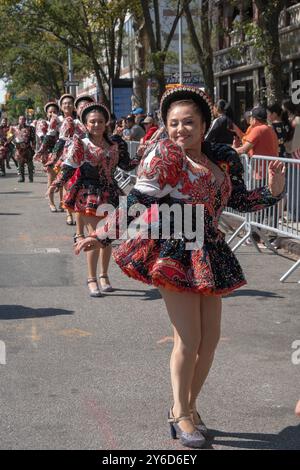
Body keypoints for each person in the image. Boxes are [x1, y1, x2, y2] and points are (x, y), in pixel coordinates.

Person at [75, 85, 285, 449]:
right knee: (188, 340)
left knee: (210, 341)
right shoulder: (165, 158)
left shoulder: (221, 158)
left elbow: (238, 199)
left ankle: (188, 405)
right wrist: (105, 235)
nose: (180, 129)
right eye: (173, 123)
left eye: (189, 122)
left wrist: (274, 191)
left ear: (204, 125)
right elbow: (138, 201)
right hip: (175, 246)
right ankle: (181, 412)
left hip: (211, 249)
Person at [48, 102, 141, 296]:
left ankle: (104, 275)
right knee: (95, 235)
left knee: (107, 236)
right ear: (85, 124)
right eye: (92, 122)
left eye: (100, 121)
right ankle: (91, 278)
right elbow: (70, 166)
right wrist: (57, 182)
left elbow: (126, 165)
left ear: (106, 122)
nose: (96, 125)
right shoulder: (81, 143)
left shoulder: (115, 143)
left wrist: (141, 156)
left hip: (111, 193)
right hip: (89, 193)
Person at [9, 115, 35, 183]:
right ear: (18, 120)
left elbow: (33, 138)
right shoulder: (14, 128)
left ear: (25, 120)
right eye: (20, 119)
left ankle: (31, 177)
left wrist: (33, 145)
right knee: (20, 164)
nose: (22, 120)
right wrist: (10, 133)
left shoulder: (30, 128)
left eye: (23, 119)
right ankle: (21, 177)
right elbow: (9, 138)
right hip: (19, 149)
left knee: (30, 164)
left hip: (27, 148)